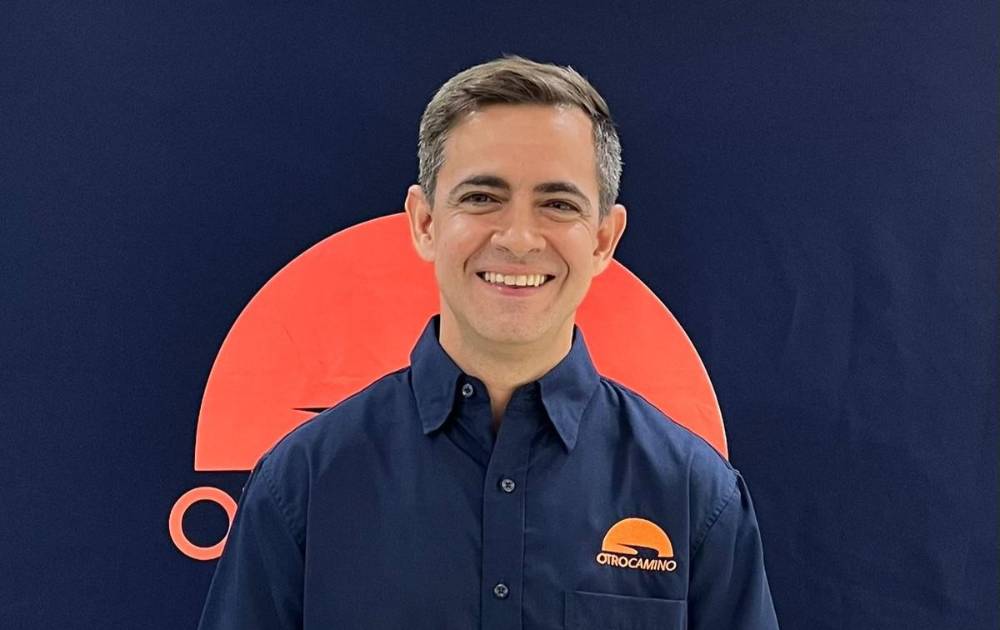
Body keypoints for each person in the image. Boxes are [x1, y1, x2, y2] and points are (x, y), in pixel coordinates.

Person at [197, 54, 779, 629]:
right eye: (481, 197)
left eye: (558, 204)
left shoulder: (695, 496)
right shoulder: (301, 485)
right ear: (425, 223)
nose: (519, 238)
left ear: (604, 238)